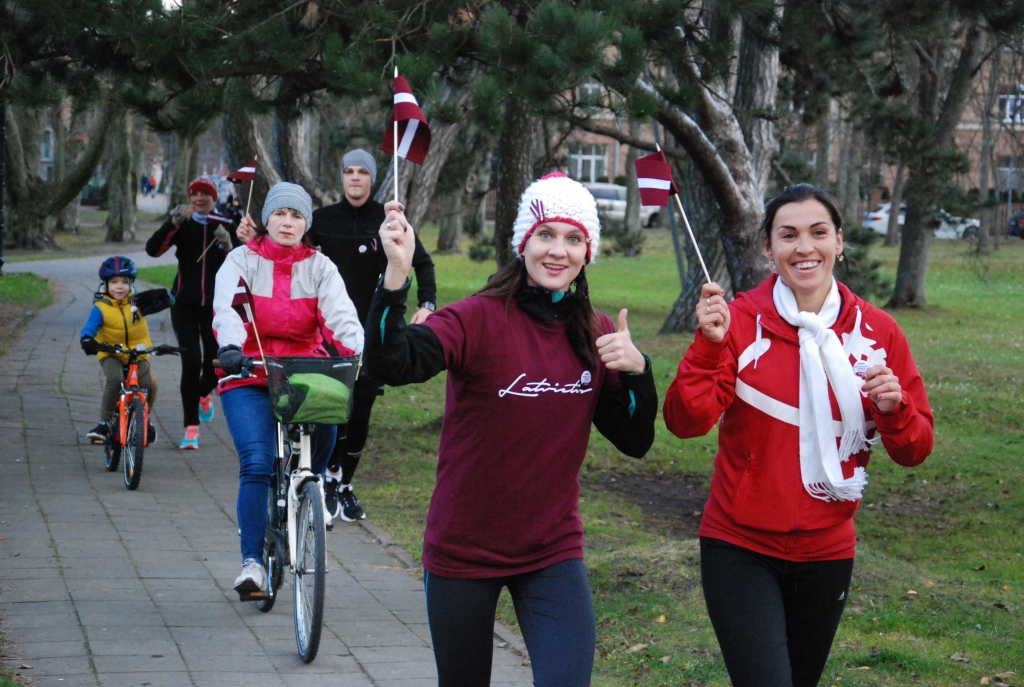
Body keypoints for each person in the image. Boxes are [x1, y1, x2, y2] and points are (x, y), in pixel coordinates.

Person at [364, 172, 658, 686]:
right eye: (545, 234)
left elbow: (635, 441)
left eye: (573, 239)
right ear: (523, 242)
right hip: (464, 550)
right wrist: (395, 275)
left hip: (551, 551)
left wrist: (637, 371)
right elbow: (392, 364)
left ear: (588, 251)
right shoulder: (475, 319)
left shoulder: (599, 333)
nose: (558, 252)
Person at [663, 184, 934, 687]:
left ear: (839, 242)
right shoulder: (738, 320)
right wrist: (708, 346)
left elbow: (915, 448)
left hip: (828, 551)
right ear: (768, 248)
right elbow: (686, 421)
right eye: (788, 235)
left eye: (818, 233)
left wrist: (894, 410)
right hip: (739, 545)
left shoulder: (879, 331)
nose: (804, 247)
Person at [212, 182, 364, 594]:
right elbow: (227, 309)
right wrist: (228, 346)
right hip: (248, 370)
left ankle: (307, 492)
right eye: (280, 213)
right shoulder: (240, 261)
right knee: (258, 462)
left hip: (301, 372)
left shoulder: (320, 267)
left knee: (329, 428)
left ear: (306, 224)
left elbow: (343, 318)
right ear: (267, 218)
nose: (288, 222)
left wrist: (355, 354)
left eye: (297, 216)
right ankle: (252, 563)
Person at [309, 149, 438, 523]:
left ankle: (344, 484)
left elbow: (422, 262)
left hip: (372, 330)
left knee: (360, 411)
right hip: (327, 330)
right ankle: (326, 478)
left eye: (361, 172)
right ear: (341, 177)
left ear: (372, 178)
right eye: (348, 170)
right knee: (332, 409)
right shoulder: (321, 220)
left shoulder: (390, 219)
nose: (354, 178)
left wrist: (427, 303)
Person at [146, 176, 239, 449]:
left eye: (205, 194)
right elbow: (153, 250)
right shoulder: (182, 225)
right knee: (191, 362)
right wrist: (172, 222)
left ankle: (203, 393)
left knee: (215, 364)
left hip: (215, 306)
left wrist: (227, 244)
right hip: (184, 304)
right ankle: (190, 427)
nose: (199, 199)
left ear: (214, 198)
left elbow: (242, 260)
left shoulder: (225, 224)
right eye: (194, 194)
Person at [80, 256, 174, 447]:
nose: (119, 287)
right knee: (115, 381)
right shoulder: (101, 307)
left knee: (150, 386)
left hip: (137, 354)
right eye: (114, 282)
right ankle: (104, 424)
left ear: (131, 283)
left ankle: (143, 420)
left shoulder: (138, 304)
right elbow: (89, 328)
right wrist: (87, 340)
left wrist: (161, 295)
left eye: (124, 282)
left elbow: (171, 301)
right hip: (111, 354)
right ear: (105, 284)